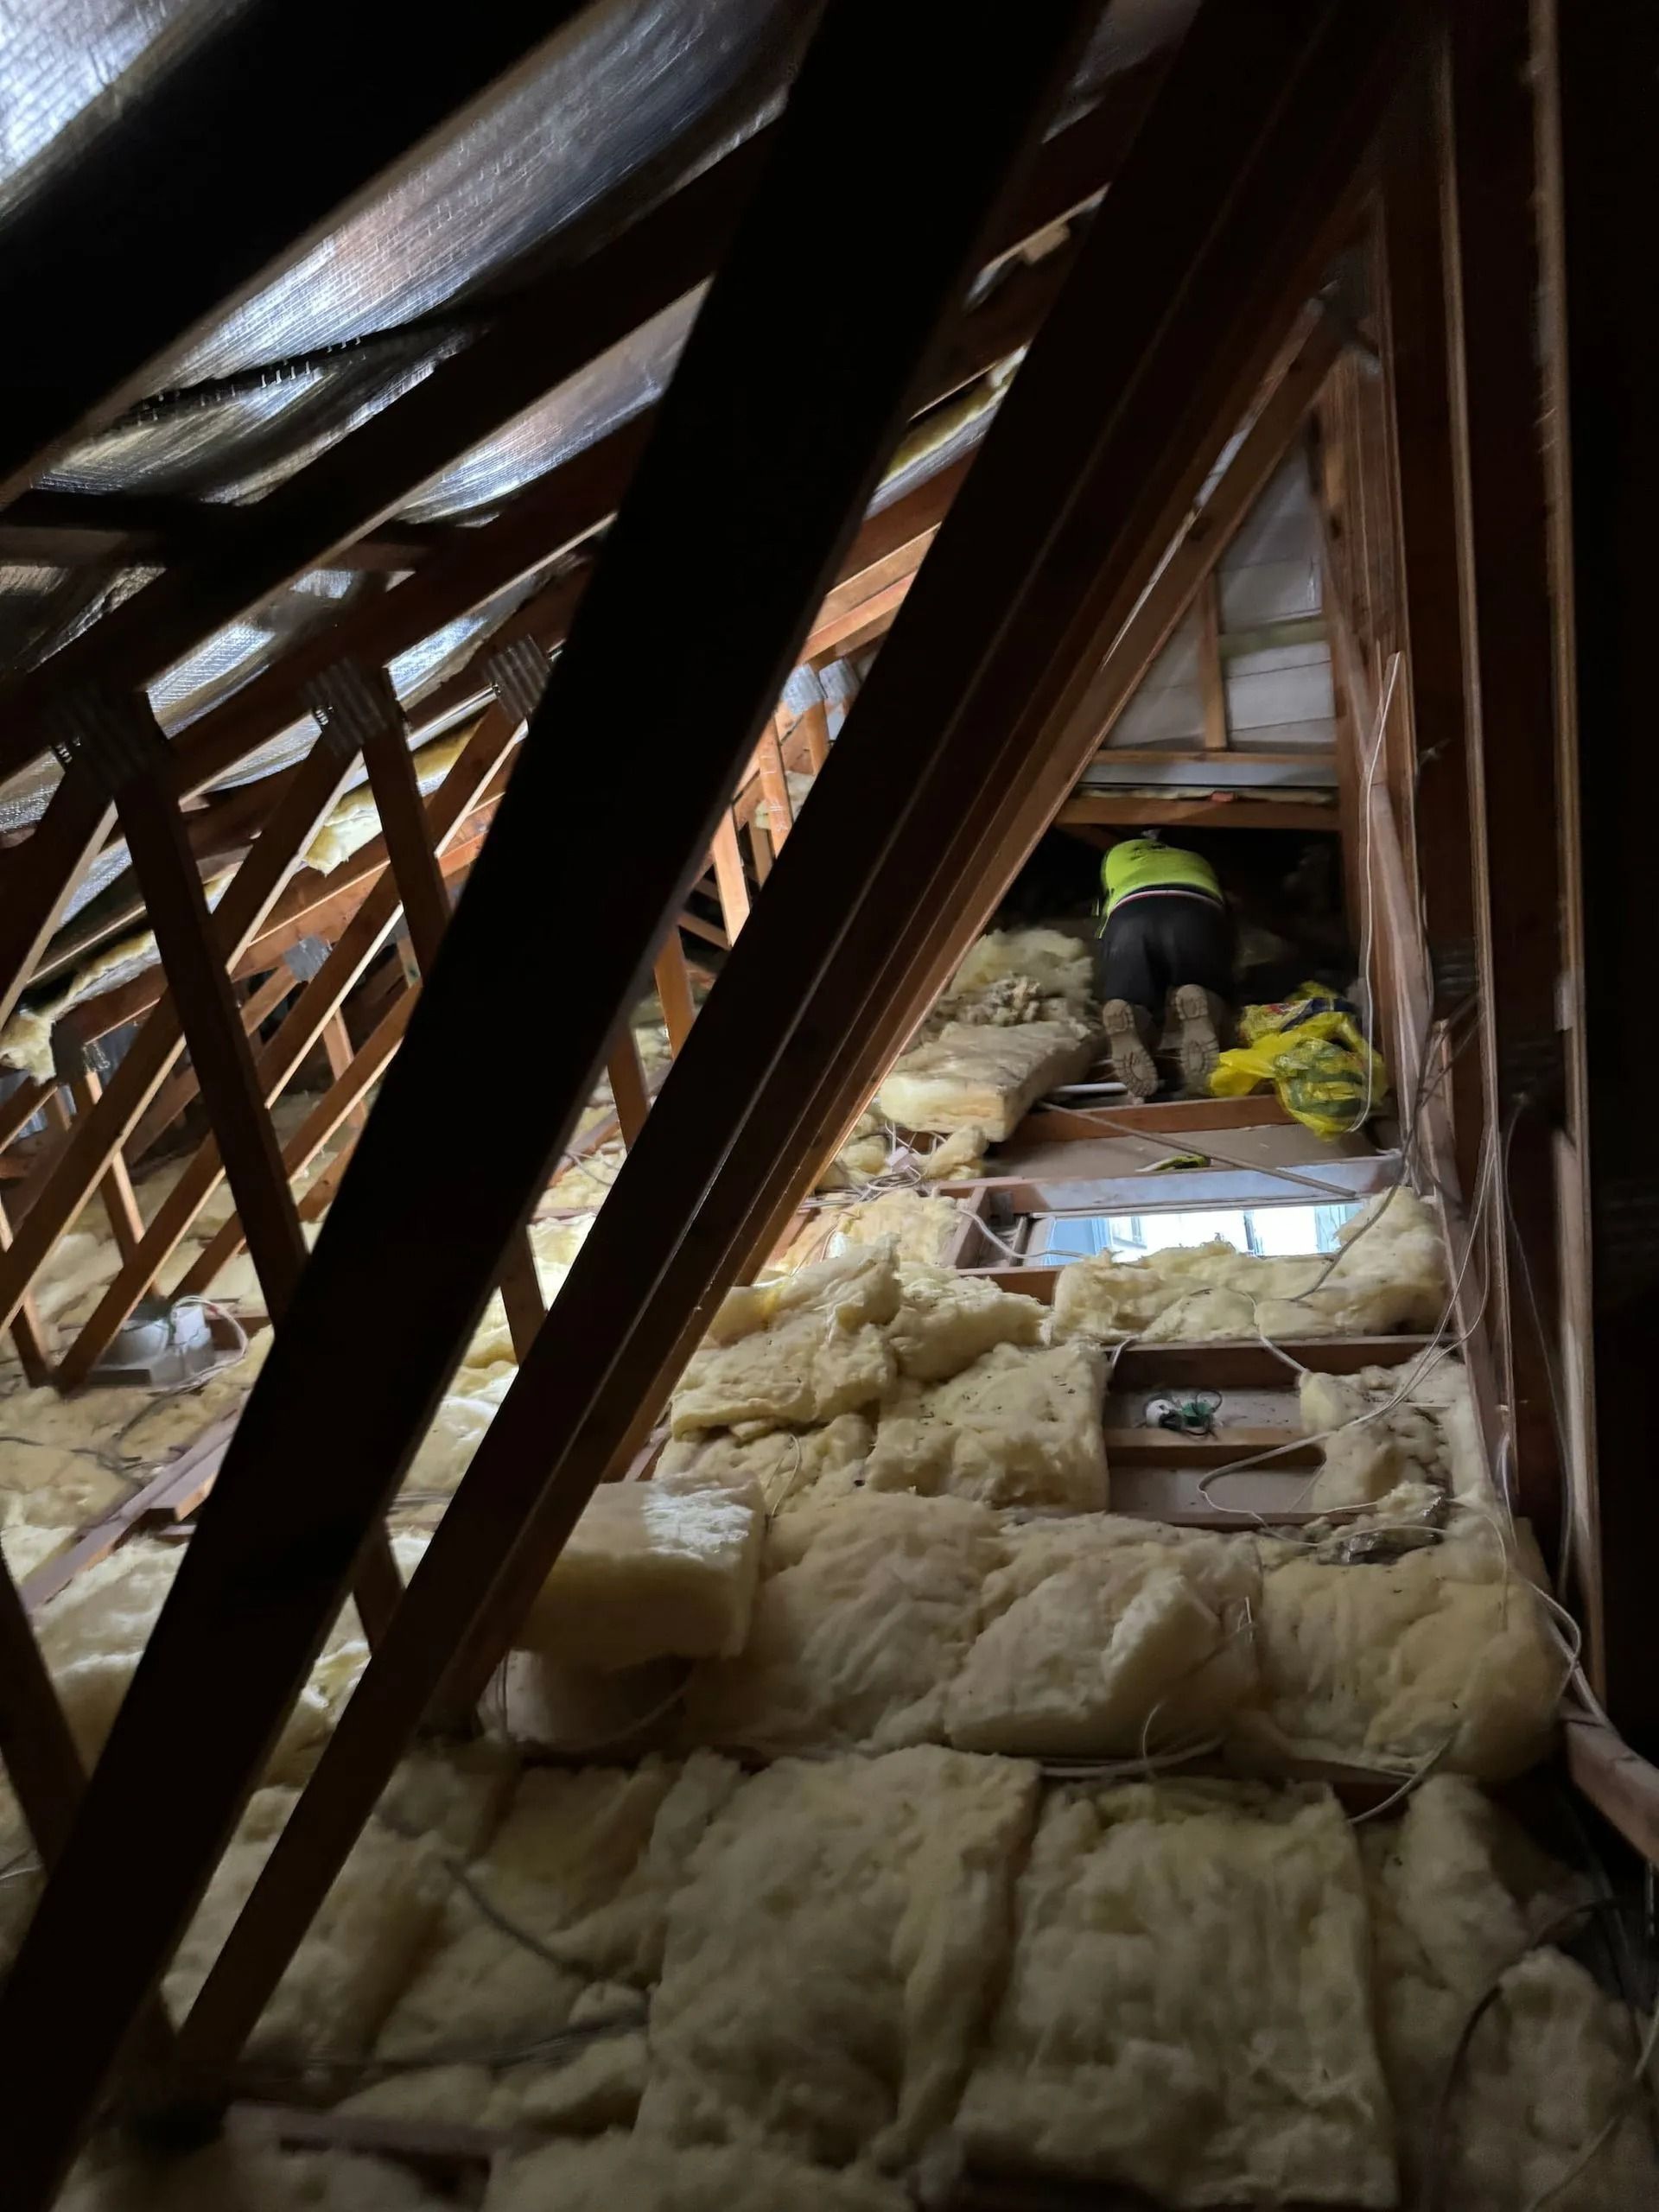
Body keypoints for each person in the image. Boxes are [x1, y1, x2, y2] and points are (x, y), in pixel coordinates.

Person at [1094, 834, 1235, 1099]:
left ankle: (1134, 1015)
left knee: (1134, 996)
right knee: (1211, 987)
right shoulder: (1196, 857)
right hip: (1195, 907)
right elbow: (1228, 929)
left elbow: (1102, 923)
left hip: (1129, 913)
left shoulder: (1116, 855)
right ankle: (1205, 999)